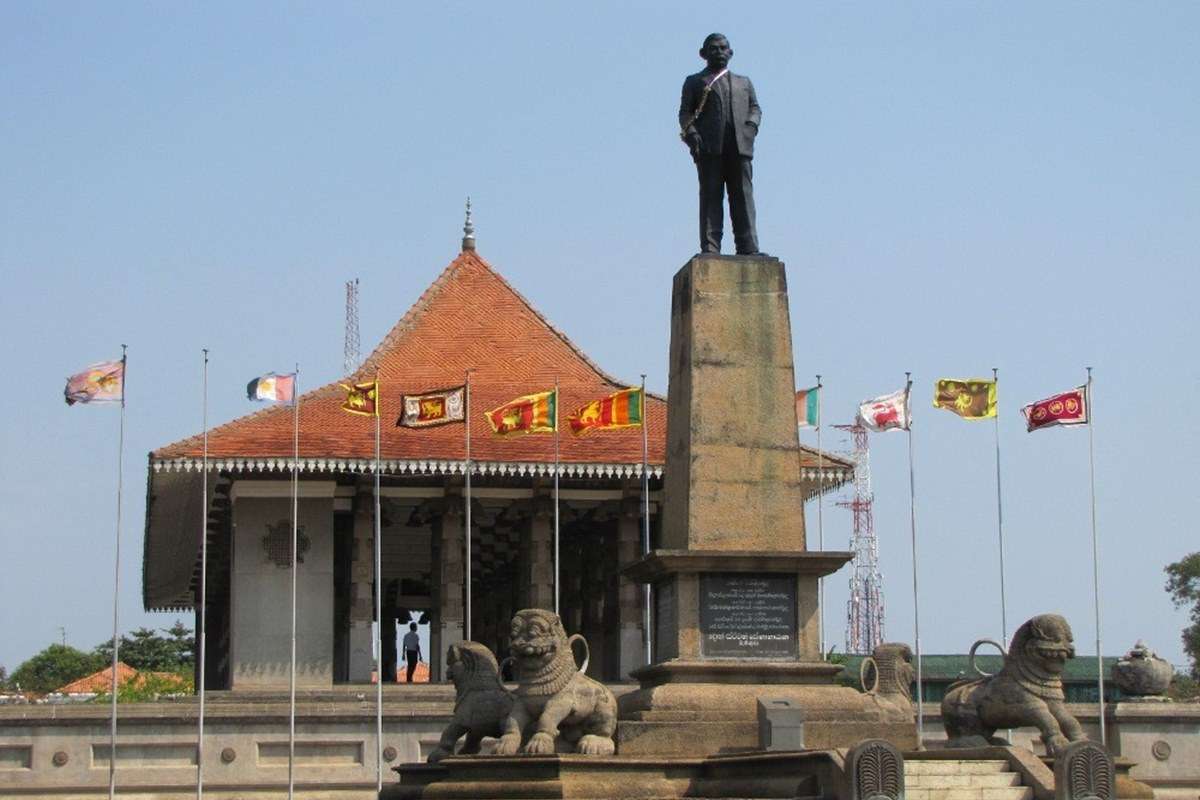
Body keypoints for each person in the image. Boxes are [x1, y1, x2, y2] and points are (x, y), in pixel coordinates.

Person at [678, 33, 762, 255]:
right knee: (711, 196)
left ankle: (748, 247)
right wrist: (693, 134)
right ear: (703, 54)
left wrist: (751, 127)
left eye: (723, 48)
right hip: (709, 148)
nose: (719, 52)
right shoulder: (694, 82)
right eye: (714, 48)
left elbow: (755, 108)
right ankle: (711, 247)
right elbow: (685, 113)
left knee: (743, 196)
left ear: (731, 52)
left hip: (740, 147)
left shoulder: (744, 83)